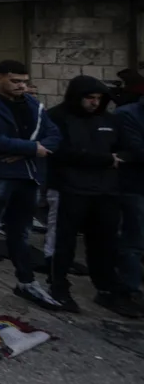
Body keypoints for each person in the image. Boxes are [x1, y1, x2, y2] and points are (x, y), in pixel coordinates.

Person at [0, 60, 62, 310]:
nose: (21, 86)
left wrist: (27, 151)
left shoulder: (32, 104)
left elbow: (54, 135)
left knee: (22, 232)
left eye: (24, 81)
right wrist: (32, 148)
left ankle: (26, 280)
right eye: (15, 81)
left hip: (28, 174)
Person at [46, 76, 139, 317]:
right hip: (70, 189)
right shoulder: (59, 116)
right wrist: (105, 160)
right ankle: (58, 287)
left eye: (98, 99)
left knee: (104, 243)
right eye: (90, 98)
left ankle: (107, 289)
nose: (94, 103)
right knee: (64, 243)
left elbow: (127, 148)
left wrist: (119, 158)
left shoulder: (109, 120)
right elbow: (60, 151)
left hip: (106, 190)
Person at [117, 96, 144, 308]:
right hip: (135, 185)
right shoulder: (128, 114)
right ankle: (130, 288)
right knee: (134, 238)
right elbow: (136, 149)